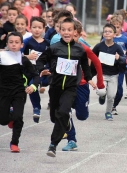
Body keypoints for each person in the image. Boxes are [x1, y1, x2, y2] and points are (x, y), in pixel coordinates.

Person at [36, 18, 96, 157]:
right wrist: (41, 69)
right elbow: (41, 60)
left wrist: (89, 79)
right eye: (64, 30)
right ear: (59, 31)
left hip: (70, 88)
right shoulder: (54, 48)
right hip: (55, 87)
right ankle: (67, 124)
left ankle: (53, 145)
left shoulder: (79, 49)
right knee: (54, 117)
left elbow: (85, 66)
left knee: (63, 112)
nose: (67, 32)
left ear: (75, 32)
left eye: (70, 30)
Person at [61, 20, 105, 151]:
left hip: (81, 85)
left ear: (79, 35)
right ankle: (71, 139)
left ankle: (81, 105)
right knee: (65, 112)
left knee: (81, 116)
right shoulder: (59, 47)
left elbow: (97, 63)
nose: (70, 37)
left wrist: (100, 83)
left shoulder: (84, 49)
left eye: (74, 35)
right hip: (66, 86)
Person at [0, 32, 39, 152]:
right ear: (6, 44)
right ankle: (9, 117)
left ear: (22, 45)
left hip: (19, 92)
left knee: (18, 117)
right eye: (11, 42)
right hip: (3, 92)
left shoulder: (23, 60)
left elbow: (35, 76)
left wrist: (33, 86)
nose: (13, 45)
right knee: (3, 120)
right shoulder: (1, 57)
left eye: (16, 42)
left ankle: (14, 143)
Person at [93, 24, 126, 120]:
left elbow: (124, 59)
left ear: (114, 35)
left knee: (111, 96)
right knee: (101, 92)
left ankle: (108, 112)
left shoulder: (117, 47)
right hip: (101, 74)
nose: (107, 33)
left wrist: (119, 57)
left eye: (110, 31)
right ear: (103, 34)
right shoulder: (99, 46)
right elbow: (92, 56)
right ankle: (102, 96)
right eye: (105, 31)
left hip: (113, 75)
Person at [22, 17, 50, 123]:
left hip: (44, 71)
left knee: (48, 82)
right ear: (30, 28)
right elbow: (17, 54)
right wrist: (27, 57)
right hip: (30, 71)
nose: (37, 30)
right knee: (32, 86)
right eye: (34, 27)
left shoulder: (47, 43)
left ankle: (54, 102)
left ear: (44, 29)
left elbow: (53, 57)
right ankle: (37, 108)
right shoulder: (26, 41)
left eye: (39, 27)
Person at [108, 15, 127, 115]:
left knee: (119, 89)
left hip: (120, 67)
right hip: (108, 67)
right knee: (108, 88)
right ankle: (104, 96)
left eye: (117, 27)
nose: (115, 29)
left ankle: (114, 106)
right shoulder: (107, 39)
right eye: (113, 27)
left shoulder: (125, 39)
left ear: (121, 27)